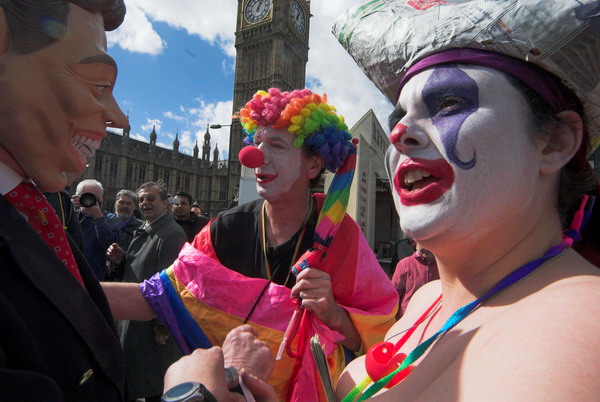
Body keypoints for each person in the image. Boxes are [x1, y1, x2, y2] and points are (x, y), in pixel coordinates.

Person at [332, 0, 600, 399]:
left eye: (450, 104)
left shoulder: (583, 327)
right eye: (397, 117)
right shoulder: (425, 301)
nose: (400, 133)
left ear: (555, 143)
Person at [102, 88, 399, 400]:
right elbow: (158, 297)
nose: (255, 156)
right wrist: (60, 290)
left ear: (313, 166)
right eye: (256, 143)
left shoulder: (342, 236)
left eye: (276, 145)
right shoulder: (224, 229)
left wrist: (334, 314)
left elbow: (380, 343)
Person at [0, 0, 129, 400]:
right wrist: (194, 390)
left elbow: (52, 299)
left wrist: (165, 298)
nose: (120, 118)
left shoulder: (34, 203)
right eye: (97, 83)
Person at [107, 181, 187, 401]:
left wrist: (162, 326)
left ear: (165, 203)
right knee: (134, 378)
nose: (144, 203)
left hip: (150, 323)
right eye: (141, 199)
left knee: (150, 382)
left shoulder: (171, 234)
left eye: (151, 198)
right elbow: (139, 269)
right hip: (134, 317)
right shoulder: (146, 229)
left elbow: (171, 283)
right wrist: (119, 260)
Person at [73, 179, 120, 280]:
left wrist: (98, 217)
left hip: (93, 278)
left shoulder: (111, 219)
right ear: (78, 198)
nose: (92, 202)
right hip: (69, 274)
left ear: (102, 199)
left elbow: (109, 246)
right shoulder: (71, 216)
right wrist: (68, 206)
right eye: (88, 197)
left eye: (96, 198)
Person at [391, 242, 439, 320]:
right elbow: (395, 294)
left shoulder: (442, 265)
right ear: (415, 243)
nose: (427, 248)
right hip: (409, 317)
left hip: (434, 316)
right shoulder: (405, 264)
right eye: (422, 243)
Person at [106, 188, 143, 281]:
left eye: (129, 203)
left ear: (134, 207)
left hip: (125, 276)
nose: (125, 206)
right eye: (121, 202)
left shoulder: (141, 227)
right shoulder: (104, 223)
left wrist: (121, 258)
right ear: (115, 204)